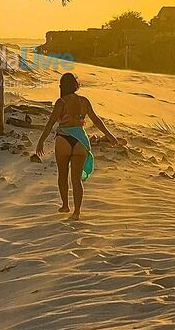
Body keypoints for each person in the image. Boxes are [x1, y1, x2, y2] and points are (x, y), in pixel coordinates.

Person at [34, 73, 121, 220]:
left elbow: (50, 124)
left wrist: (41, 141)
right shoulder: (84, 101)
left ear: (62, 86)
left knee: (63, 175)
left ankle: (65, 205)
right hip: (81, 140)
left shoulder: (61, 102)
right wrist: (110, 135)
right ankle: (77, 212)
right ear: (75, 85)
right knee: (76, 179)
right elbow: (96, 120)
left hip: (64, 139)